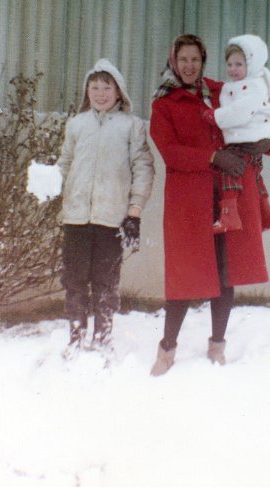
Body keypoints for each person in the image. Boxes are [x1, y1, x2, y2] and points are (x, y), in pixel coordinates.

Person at [149, 34, 270, 376]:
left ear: (203, 62)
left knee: (225, 270)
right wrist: (213, 156)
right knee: (185, 276)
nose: (189, 66)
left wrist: (266, 139)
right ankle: (167, 348)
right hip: (189, 200)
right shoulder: (164, 103)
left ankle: (217, 345)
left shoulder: (223, 91)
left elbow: (257, 114)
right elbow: (171, 153)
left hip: (226, 194)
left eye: (195, 60)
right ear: (174, 62)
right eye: (183, 60)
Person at [58, 58, 154, 359]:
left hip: (111, 220)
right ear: (87, 91)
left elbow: (144, 168)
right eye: (94, 87)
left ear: (118, 91)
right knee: (74, 279)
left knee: (105, 280)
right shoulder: (76, 125)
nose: (100, 93)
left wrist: (134, 210)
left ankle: (102, 335)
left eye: (106, 87)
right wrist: (47, 183)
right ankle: (76, 334)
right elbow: (65, 163)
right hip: (76, 218)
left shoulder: (131, 126)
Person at [202, 34, 270, 233]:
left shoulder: (254, 85)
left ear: (251, 65)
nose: (233, 69)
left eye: (239, 64)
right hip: (253, 138)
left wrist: (215, 116)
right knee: (256, 174)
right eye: (229, 64)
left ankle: (229, 215)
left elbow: (240, 111)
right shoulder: (237, 85)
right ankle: (266, 212)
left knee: (230, 171)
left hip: (249, 138)